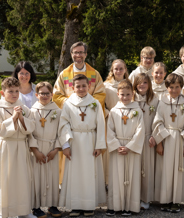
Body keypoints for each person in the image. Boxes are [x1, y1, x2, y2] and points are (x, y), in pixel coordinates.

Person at [52, 41, 106, 185]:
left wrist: (87, 103)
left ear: (86, 54)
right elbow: (56, 95)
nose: (78, 55)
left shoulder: (94, 73)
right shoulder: (64, 74)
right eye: (75, 52)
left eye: (81, 52)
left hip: (89, 123)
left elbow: (101, 93)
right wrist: (72, 105)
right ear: (71, 54)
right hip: (72, 121)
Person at [58, 74, 106, 217]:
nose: (81, 88)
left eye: (84, 86)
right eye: (78, 86)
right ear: (73, 87)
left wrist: (99, 145)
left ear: (89, 86)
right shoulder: (67, 104)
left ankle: (89, 205)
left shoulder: (95, 103)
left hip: (91, 141)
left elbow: (101, 125)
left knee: (89, 174)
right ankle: (75, 206)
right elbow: (63, 124)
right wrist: (65, 145)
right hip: (75, 142)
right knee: (75, 174)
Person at [0, 77, 36, 218]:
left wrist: (22, 118)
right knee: (6, 179)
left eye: (17, 91)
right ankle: (4, 212)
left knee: (23, 179)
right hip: (7, 147)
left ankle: (24, 212)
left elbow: (32, 126)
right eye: (10, 91)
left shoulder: (24, 108)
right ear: (2, 93)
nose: (15, 94)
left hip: (22, 146)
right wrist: (13, 118)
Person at [152, 73, 184, 213]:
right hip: (166, 140)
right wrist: (159, 143)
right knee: (165, 170)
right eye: (171, 87)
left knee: (179, 170)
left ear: (181, 87)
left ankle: (176, 200)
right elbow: (158, 122)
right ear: (166, 87)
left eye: (177, 87)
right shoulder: (162, 102)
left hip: (180, 139)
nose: (174, 90)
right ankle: (165, 199)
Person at [106, 80, 145, 216]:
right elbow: (109, 130)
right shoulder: (113, 111)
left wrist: (129, 147)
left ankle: (130, 206)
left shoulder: (137, 110)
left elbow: (141, 131)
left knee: (131, 176)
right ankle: (114, 206)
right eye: (122, 94)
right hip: (117, 149)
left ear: (132, 94)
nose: (125, 97)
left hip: (131, 149)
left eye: (128, 94)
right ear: (117, 94)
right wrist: (117, 145)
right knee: (115, 177)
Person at [29, 82, 62, 218]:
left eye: (47, 93)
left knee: (53, 176)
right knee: (36, 178)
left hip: (52, 148)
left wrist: (56, 149)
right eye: (41, 93)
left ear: (52, 95)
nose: (44, 96)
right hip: (37, 149)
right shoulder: (31, 111)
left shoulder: (58, 112)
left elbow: (62, 131)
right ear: (36, 95)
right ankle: (36, 206)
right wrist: (35, 151)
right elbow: (29, 133)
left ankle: (53, 205)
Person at [132, 73, 159, 210]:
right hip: (133, 139)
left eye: (145, 83)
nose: (142, 85)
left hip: (148, 138)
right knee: (134, 168)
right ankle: (133, 197)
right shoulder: (130, 98)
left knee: (147, 169)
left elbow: (159, 119)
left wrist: (154, 135)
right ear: (135, 84)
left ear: (149, 85)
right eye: (139, 83)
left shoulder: (155, 100)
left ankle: (146, 198)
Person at [103, 59, 130, 185]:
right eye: (116, 69)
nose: (118, 71)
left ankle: (124, 179)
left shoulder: (130, 85)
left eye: (121, 68)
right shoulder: (105, 86)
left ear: (125, 70)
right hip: (111, 120)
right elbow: (100, 104)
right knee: (111, 149)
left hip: (127, 120)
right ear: (112, 71)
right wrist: (109, 113)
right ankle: (109, 181)